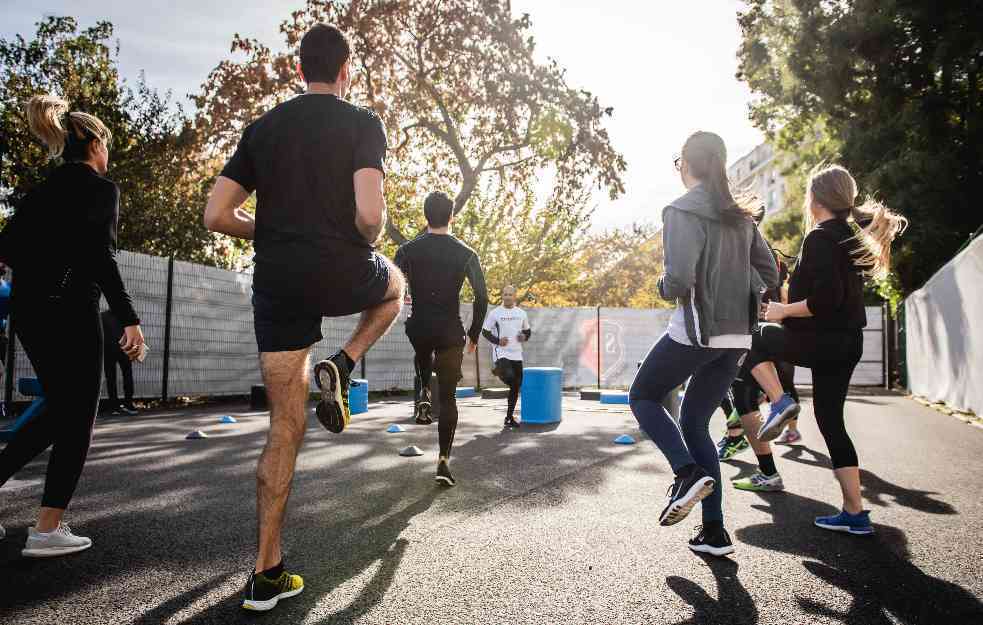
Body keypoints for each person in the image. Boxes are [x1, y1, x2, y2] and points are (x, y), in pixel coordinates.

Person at [203, 23, 404, 612]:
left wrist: (266, 229)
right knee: (395, 287)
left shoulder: (261, 130)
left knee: (283, 428)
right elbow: (370, 215)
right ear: (345, 72)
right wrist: (371, 234)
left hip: (278, 282)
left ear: (299, 71)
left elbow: (217, 214)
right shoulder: (363, 123)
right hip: (343, 268)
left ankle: (266, 572)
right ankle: (344, 361)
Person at [0, 95, 145, 556]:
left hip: (30, 313)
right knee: (77, 417)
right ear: (96, 144)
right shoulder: (102, 190)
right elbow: (100, 256)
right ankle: (46, 529)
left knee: (60, 412)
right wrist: (129, 319)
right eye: (108, 144)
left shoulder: (40, 192)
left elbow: (6, 248)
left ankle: (41, 521)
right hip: (70, 313)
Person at [627, 131, 779, 557]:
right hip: (736, 338)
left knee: (642, 395)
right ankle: (714, 532)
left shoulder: (679, 210)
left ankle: (685, 472)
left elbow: (677, 280)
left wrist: (661, 284)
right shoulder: (742, 217)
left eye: (678, 160)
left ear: (687, 165)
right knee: (695, 422)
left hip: (697, 330)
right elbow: (771, 275)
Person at [747, 164, 907, 535]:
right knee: (831, 422)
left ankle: (780, 401)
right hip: (847, 342)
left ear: (815, 200)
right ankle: (855, 512)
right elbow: (830, 294)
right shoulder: (848, 236)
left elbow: (825, 299)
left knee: (752, 339)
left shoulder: (819, 237)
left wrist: (784, 310)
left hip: (824, 340)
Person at [394, 191, 488, 487]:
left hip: (419, 325)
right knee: (448, 398)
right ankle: (444, 462)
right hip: (450, 331)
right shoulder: (466, 253)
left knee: (422, 347)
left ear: (425, 216)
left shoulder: (408, 251)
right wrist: (474, 334)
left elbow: (393, 286)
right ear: (451, 217)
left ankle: (423, 390)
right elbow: (482, 297)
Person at [482, 285, 531, 428]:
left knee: (516, 385)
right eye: (505, 294)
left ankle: (509, 418)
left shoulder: (521, 313)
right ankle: (499, 369)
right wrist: (498, 341)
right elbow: (485, 332)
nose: (508, 297)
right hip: (501, 352)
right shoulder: (495, 313)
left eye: (510, 294)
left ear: (515, 296)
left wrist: (524, 337)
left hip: (517, 353)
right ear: (502, 296)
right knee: (510, 377)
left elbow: (528, 332)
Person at [101, 309, 138, 415]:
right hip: (125, 350)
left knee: (111, 378)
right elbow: (133, 331)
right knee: (127, 376)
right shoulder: (126, 314)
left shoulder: (103, 316)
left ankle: (114, 406)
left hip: (109, 351)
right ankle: (128, 404)